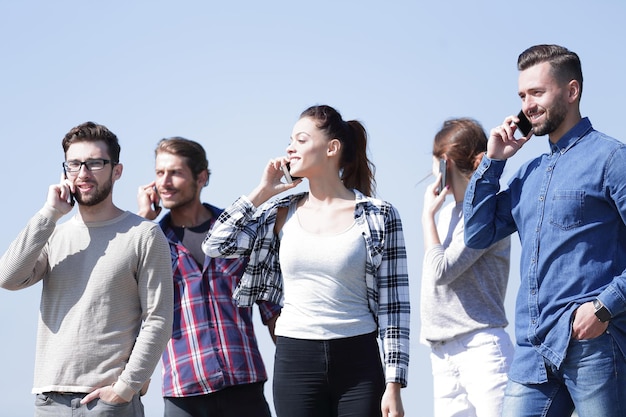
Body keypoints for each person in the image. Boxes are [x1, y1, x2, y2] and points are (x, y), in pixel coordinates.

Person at [202, 104, 410, 417]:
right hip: (295, 357)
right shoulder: (279, 213)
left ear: (332, 148)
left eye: (300, 139)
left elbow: (394, 305)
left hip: (359, 360)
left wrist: (394, 383)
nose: (289, 148)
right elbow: (216, 243)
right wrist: (262, 192)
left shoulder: (378, 215)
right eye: (290, 140)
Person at [464, 44, 626, 417]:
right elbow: (476, 234)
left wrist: (605, 307)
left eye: (537, 92)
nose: (527, 105)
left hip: (592, 345)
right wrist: (493, 161)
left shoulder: (611, 159)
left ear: (571, 92)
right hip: (532, 353)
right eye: (522, 95)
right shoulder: (527, 174)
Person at [0, 121, 174, 417]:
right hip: (48, 400)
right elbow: (8, 277)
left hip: (108, 402)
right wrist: (49, 213)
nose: (83, 173)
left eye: (94, 163)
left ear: (116, 170)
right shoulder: (52, 232)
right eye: (74, 164)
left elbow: (159, 319)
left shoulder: (143, 234)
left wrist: (124, 388)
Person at [137, 137, 281, 417]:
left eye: (175, 173)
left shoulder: (239, 232)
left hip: (244, 385)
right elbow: (130, 308)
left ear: (201, 177)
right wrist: (142, 221)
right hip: (184, 393)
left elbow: (272, 308)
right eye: (159, 173)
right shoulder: (149, 241)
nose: (164, 182)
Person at [420, 118, 513, 417]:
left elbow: (442, 270)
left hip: (480, 347)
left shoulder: (483, 213)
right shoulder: (447, 213)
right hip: (442, 351)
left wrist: (425, 220)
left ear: (447, 164)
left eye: (437, 163)